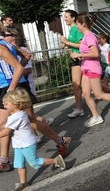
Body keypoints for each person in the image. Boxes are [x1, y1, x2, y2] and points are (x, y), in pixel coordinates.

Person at [0, 24, 70, 172]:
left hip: (11, 86)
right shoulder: (5, 44)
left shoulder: (2, 46)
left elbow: (19, 67)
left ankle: (4, 160)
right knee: (28, 121)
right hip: (6, 86)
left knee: (6, 123)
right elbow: (25, 57)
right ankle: (60, 140)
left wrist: (11, 89)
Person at [70, 14, 110, 127]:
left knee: (98, 95)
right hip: (86, 68)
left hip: (93, 68)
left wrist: (80, 54)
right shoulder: (86, 36)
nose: (76, 27)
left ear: (83, 25)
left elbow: (96, 54)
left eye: (78, 25)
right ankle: (96, 116)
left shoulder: (89, 37)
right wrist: (80, 56)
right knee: (86, 93)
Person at [0, 88, 66, 191]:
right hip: (19, 144)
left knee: (34, 162)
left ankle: (56, 160)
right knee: (18, 163)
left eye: (6, 104)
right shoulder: (18, 113)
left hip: (27, 144)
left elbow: (6, 132)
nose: (3, 106)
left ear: (15, 104)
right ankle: (23, 182)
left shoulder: (16, 117)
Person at [60, 10, 84, 118]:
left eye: (66, 17)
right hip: (75, 58)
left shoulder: (77, 29)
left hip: (80, 58)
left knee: (76, 84)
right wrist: (66, 46)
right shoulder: (71, 30)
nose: (64, 19)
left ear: (73, 18)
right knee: (84, 85)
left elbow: (82, 45)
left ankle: (79, 109)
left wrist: (66, 42)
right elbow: (73, 44)